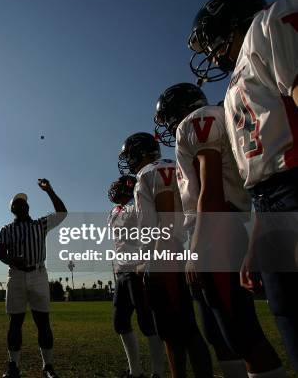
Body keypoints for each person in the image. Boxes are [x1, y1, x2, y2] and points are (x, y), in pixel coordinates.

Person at [188, 0, 298, 370]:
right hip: (271, 207)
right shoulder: (235, 83)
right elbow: (260, 178)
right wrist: (255, 243)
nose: (214, 54)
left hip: (292, 191)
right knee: (288, 319)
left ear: (229, 24)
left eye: (213, 41)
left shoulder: (269, 25)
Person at [155, 82, 286, 377]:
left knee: (243, 336)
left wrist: (198, 249)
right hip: (223, 225)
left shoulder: (196, 121)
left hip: (216, 229)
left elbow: (210, 189)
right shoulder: (219, 113)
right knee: (221, 335)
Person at [119, 133, 212, 378]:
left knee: (179, 331)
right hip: (185, 249)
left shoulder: (148, 173)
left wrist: (156, 261)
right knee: (182, 328)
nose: (127, 160)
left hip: (166, 254)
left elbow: (167, 217)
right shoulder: (173, 165)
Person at [0, 179, 66, 378]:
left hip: (38, 274)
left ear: (28, 207)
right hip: (17, 276)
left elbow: (62, 213)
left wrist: (50, 191)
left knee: (43, 321)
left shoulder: (40, 224)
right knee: (15, 322)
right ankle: (13, 366)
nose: (21, 204)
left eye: (24, 202)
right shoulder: (6, 229)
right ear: (12, 209)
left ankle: (48, 366)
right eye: (17, 203)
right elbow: (2, 253)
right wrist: (13, 260)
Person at [107, 175, 166, 378]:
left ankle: (158, 372)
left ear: (129, 187)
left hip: (137, 268)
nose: (115, 189)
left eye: (119, 185)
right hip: (122, 271)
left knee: (146, 322)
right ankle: (135, 371)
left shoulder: (137, 205)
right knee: (120, 321)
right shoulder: (115, 211)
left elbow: (149, 232)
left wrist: (145, 261)